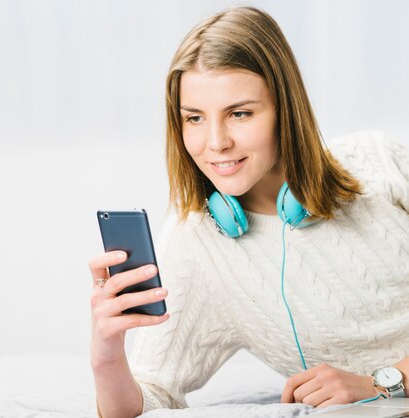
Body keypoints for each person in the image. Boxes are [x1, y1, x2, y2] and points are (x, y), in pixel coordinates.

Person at [88, 6, 409, 418]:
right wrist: (106, 356)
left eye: (240, 113)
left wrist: (383, 382)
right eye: (195, 118)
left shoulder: (380, 161)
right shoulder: (196, 243)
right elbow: (150, 397)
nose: (216, 142)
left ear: (285, 110)